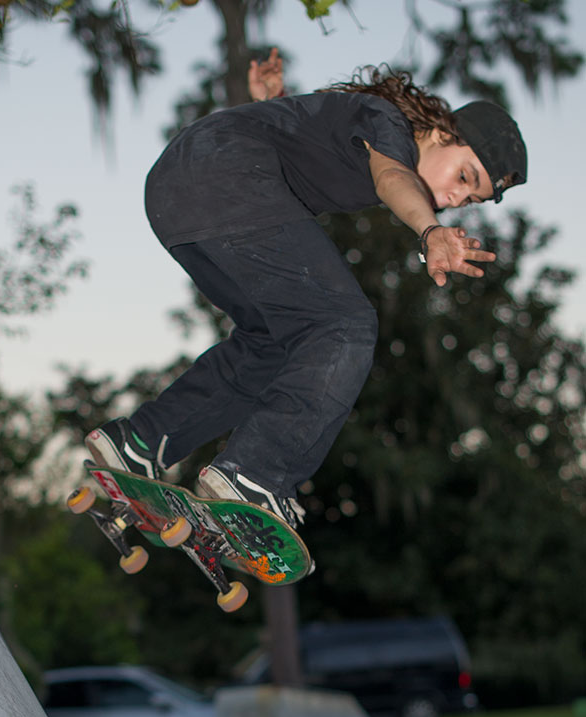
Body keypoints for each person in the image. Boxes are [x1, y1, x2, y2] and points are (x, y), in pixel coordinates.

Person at [85, 57, 527, 530]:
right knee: (345, 325)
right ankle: (254, 477)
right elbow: (393, 179)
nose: (456, 200)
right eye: (464, 178)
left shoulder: (365, 120)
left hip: (178, 194)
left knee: (270, 341)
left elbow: (298, 134)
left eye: (470, 201)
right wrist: (429, 230)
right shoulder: (390, 125)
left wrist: (271, 104)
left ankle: (141, 443)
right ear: (441, 134)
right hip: (227, 179)